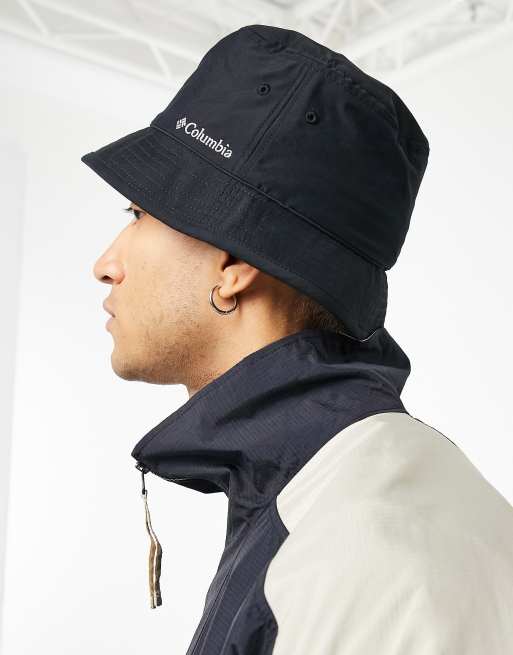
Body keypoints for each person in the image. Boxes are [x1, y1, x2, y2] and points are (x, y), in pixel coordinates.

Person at [84, 23, 513, 654]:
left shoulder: (361, 545)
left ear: (233, 263)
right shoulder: (328, 487)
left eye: (139, 214)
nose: (105, 264)